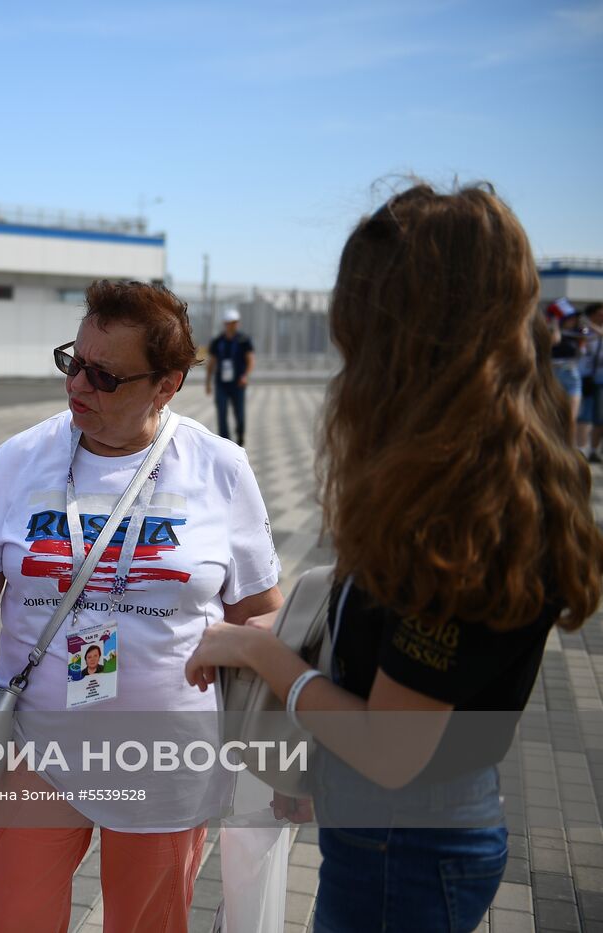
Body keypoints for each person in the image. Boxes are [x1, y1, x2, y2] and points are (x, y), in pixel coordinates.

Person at [186, 184, 603, 932]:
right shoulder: (489, 465)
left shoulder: (458, 507)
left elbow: (391, 748)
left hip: (405, 846)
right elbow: (404, 707)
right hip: (413, 830)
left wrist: (253, 645)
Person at [0, 280, 283, 931]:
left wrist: (272, 713)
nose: (77, 387)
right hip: (37, 744)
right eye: (74, 361)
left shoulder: (220, 468)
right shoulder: (21, 459)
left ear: (166, 384)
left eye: (104, 375)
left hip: (166, 758)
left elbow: (261, 610)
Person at [205, 307, 255, 445]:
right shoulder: (218, 341)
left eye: (235, 322)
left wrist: (245, 376)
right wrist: (208, 383)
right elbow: (212, 363)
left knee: (239, 413)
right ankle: (225, 442)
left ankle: (240, 435)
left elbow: (250, 360)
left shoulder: (244, 340)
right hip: (221, 383)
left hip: (238, 383)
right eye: (230, 322)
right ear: (225, 324)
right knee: (221, 413)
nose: (233, 325)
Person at [547, 297, 585, 426]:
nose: (573, 320)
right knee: (553, 415)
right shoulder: (551, 332)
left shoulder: (578, 333)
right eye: (570, 318)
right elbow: (555, 340)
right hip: (554, 374)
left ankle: (568, 444)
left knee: (571, 417)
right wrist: (555, 324)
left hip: (572, 374)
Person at [575, 302, 603, 462]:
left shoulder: (594, 329)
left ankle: (594, 450)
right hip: (585, 377)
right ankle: (581, 449)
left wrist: (590, 325)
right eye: (599, 313)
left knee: (600, 417)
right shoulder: (584, 331)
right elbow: (580, 349)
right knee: (584, 414)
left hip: (600, 378)